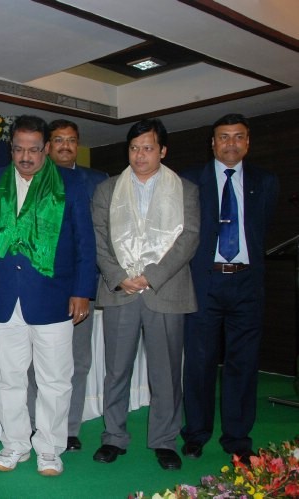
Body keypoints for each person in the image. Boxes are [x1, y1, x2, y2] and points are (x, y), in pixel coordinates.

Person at [0, 115, 96, 476]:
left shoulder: (71, 183)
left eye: (34, 149)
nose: (26, 156)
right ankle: (15, 443)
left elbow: (85, 242)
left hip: (54, 296)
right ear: (11, 148)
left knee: (54, 379)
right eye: (19, 149)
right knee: (8, 377)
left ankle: (49, 448)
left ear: (46, 148)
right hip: (4, 295)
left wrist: (82, 291)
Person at [91, 118, 199, 471]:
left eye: (148, 148)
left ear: (162, 151)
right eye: (134, 148)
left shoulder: (185, 189)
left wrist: (151, 276)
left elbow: (189, 239)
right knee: (116, 370)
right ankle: (113, 437)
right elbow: (99, 239)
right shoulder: (107, 189)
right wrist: (120, 277)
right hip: (121, 291)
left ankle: (164, 441)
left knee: (165, 373)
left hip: (166, 291)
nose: (140, 155)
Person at [179, 114, 278, 462]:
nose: (231, 143)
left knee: (243, 363)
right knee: (200, 362)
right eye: (223, 137)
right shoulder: (191, 179)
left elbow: (262, 227)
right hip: (204, 281)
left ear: (247, 143)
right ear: (213, 143)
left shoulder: (265, 181)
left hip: (247, 283)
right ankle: (196, 433)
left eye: (238, 137)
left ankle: (237, 438)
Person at [23, 119, 108, 452]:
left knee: (78, 361)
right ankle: (36, 425)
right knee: (37, 364)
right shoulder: (29, 178)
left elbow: (93, 238)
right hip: (41, 289)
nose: (65, 146)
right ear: (47, 146)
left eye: (71, 140)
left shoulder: (97, 181)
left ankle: (69, 429)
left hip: (80, 288)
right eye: (58, 140)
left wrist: (84, 289)